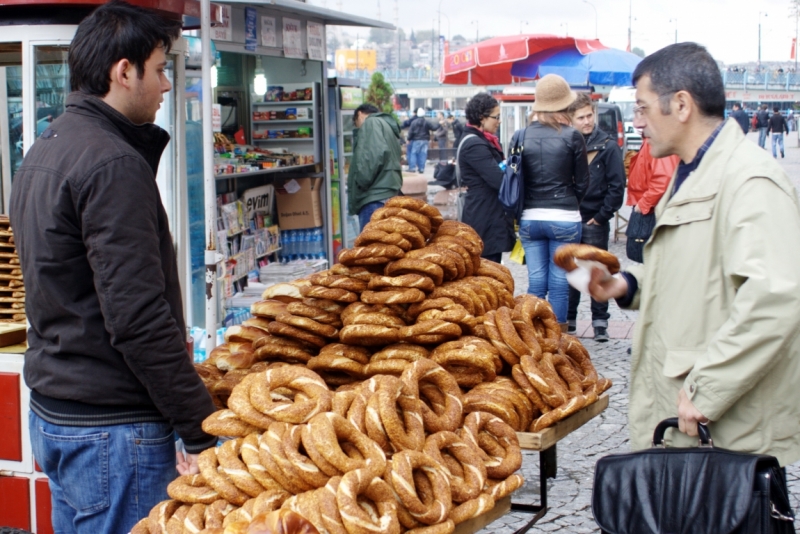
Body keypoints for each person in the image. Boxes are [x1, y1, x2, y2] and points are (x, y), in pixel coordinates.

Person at [9, 1, 218, 532]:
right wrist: (198, 426)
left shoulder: (46, 148)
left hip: (60, 413)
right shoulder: (113, 163)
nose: (167, 85)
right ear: (123, 72)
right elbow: (137, 317)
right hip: (113, 428)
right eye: (160, 68)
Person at [588, 42, 800, 467]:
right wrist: (627, 284)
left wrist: (708, 389)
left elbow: (774, 299)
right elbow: (694, 275)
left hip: (721, 429)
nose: (638, 122)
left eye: (645, 108)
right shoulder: (693, 175)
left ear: (681, 104)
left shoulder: (749, 180)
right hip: (685, 415)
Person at [518, 74, 589, 329]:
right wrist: (571, 201)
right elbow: (582, 182)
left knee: (536, 281)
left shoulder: (520, 135)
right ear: (564, 105)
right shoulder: (572, 136)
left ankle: (533, 334)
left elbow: (515, 179)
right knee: (559, 283)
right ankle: (557, 341)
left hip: (530, 217)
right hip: (565, 216)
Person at [565, 92, 625, 342]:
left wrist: (602, 216)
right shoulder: (566, 142)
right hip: (570, 218)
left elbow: (617, 185)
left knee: (598, 270)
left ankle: (600, 323)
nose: (587, 121)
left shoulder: (608, 146)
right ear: (571, 119)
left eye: (590, 115)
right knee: (571, 271)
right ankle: (569, 320)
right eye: (581, 117)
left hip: (593, 219)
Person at [456, 93, 516, 263]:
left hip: (488, 213)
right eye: (496, 117)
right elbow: (498, 180)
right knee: (487, 269)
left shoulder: (482, 140)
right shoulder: (475, 144)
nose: (499, 121)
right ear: (482, 118)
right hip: (484, 217)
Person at [347, 103, 403, 230]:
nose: (357, 127)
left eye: (356, 123)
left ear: (359, 114)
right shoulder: (385, 125)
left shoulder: (371, 123)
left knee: (371, 247)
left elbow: (372, 157)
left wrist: (361, 181)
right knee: (383, 246)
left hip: (374, 198)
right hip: (386, 193)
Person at [624, 136, 679, 263]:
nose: (637, 122)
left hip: (651, 208)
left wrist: (643, 204)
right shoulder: (651, 139)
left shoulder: (658, 139)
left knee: (646, 257)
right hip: (648, 205)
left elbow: (663, 179)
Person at [402, 108, 436, 173]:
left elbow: (411, 132)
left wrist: (408, 139)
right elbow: (433, 128)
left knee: (413, 153)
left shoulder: (414, 122)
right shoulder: (426, 122)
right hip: (425, 140)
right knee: (423, 154)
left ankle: (412, 168)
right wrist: (439, 124)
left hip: (416, 140)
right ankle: (421, 168)